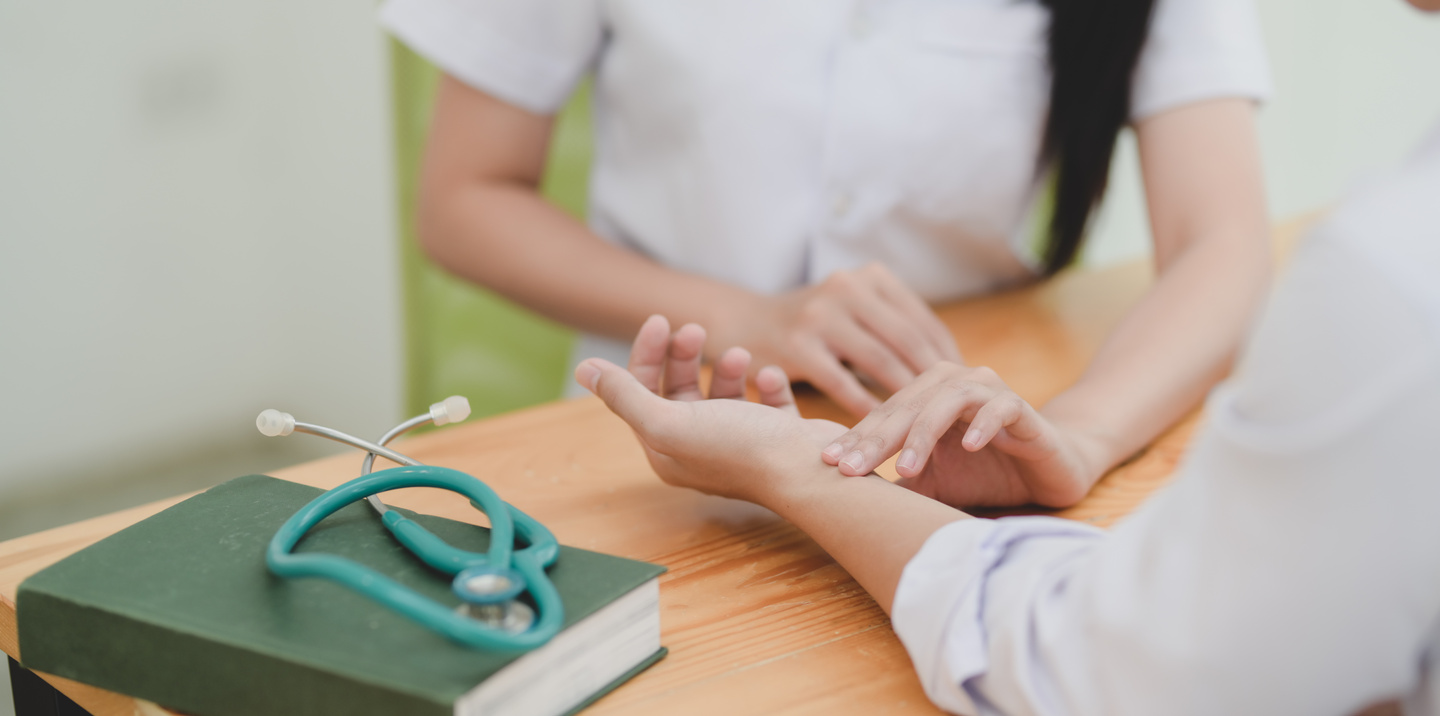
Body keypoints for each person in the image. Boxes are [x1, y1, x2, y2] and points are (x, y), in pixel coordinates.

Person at [569, 16, 1440, 708]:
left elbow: (1106, 670)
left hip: (944, 428)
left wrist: (804, 468)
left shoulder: (1392, 278)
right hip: (632, 465)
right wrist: (741, 318)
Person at [379, 0, 1273, 508]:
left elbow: (1222, 244)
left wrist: (1079, 436)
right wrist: (743, 318)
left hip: (956, 452)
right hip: (662, 442)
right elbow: (465, 201)